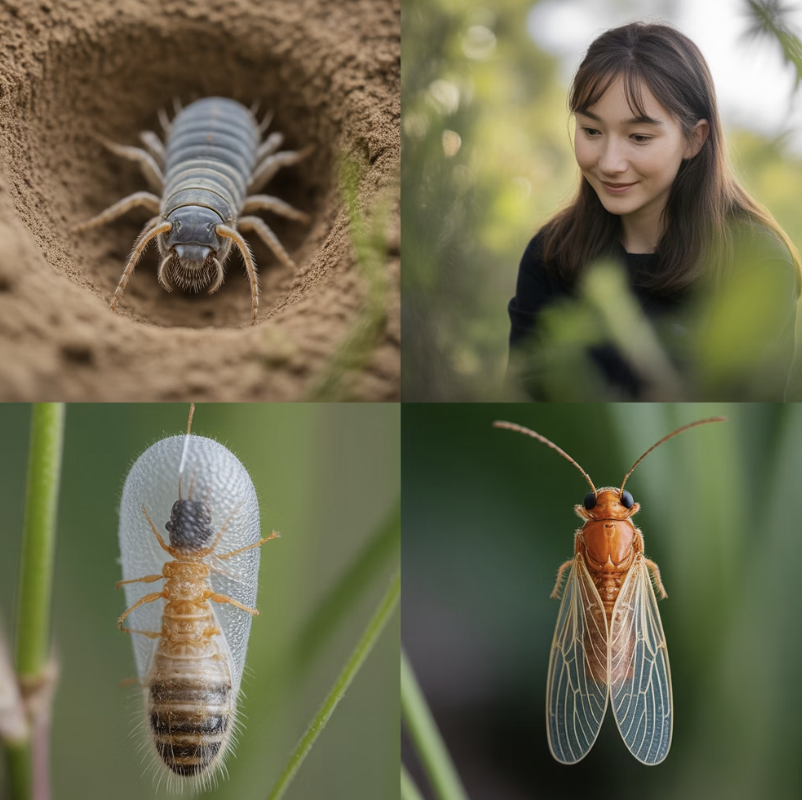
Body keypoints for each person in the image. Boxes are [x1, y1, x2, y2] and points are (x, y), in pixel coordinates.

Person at [507, 21, 801, 400]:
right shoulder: (550, 256)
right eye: (592, 131)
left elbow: (740, 441)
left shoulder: (755, 264)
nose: (611, 162)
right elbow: (521, 414)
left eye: (639, 137)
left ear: (694, 139)